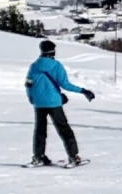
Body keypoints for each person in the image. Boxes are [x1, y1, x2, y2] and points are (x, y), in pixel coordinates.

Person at [25, 39, 94, 167]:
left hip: (39, 103)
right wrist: (83, 91)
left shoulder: (34, 66)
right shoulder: (56, 66)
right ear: (53, 51)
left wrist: (31, 98)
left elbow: (28, 84)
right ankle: (73, 157)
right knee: (64, 130)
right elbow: (65, 85)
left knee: (40, 130)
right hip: (54, 102)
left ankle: (38, 157)